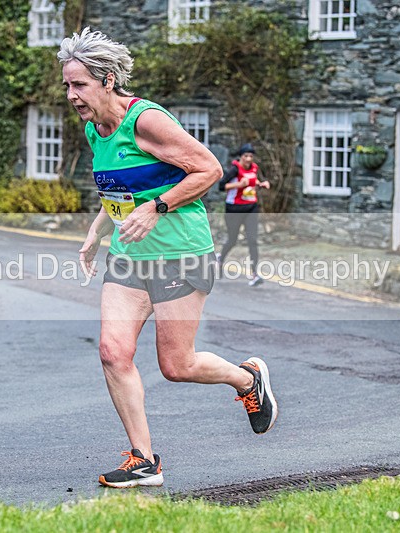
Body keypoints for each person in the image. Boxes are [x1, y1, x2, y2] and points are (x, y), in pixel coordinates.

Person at [58, 28, 277, 489]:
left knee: (177, 366)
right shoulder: (94, 129)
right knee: (112, 352)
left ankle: (246, 379)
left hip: (181, 253)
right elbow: (119, 188)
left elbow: (210, 169)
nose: (72, 94)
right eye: (67, 85)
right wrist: (96, 232)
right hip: (129, 255)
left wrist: (158, 207)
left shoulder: (146, 120)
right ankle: (144, 459)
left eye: (79, 84)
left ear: (108, 80)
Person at [217, 143, 270, 286]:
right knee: (232, 239)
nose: (248, 159)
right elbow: (222, 186)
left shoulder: (254, 168)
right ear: (241, 157)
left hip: (251, 208)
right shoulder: (234, 170)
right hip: (234, 209)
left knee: (252, 240)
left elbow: (253, 181)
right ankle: (220, 259)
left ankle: (255, 274)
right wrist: (239, 185)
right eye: (246, 156)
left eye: (251, 156)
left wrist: (261, 184)